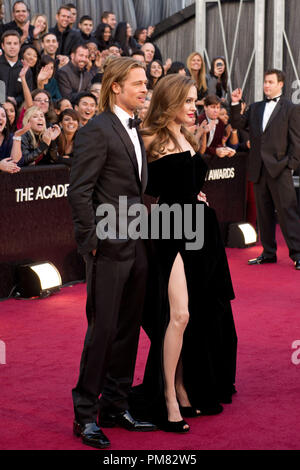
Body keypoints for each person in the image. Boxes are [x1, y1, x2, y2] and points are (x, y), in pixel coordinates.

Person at [128, 73, 237, 432]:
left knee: (199, 312)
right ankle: (168, 397)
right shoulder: (149, 136)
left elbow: (189, 180)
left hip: (198, 231)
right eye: (187, 101)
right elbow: (132, 183)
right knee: (178, 315)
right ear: (170, 101)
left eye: (195, 101)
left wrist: (195, 195)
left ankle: (183, 385)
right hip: (169, 229)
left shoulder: (186, 134)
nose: (194, 107)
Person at [68, 57, 156, 449]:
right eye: (137, 83)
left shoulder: (135, 128)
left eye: (145, 83)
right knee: (101, 330)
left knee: (127, 329)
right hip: (107, 248)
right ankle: (85, 413)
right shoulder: (96, 130)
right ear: (116, 86)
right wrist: (91, 243)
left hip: (136, 245)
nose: (144, 88)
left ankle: (115, 406)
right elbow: (80, 191)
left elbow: (132, 189)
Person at [231, 69, 300, 270]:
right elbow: (237, 124)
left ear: (281, 84)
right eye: (265, 82)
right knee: (264, 214)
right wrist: (235, 104)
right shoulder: (255, 107)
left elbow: (296, 140)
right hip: (258, 170)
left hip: (280, 169)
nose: (266, 85)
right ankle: (268, 253)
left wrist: (290, 165)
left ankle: (297, 254)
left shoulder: (290, 108)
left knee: (288, 212)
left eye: (270, 82)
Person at [0, 30, 33, 106]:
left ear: (19, 46)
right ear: (3, 46)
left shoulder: (25, 69)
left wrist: (15, 100)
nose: (12, 47)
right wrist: (7, 99)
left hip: (18, 109)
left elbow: (27, 94)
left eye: (15, 43)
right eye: (9, 43)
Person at [198, 94, 235, 159]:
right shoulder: (199, 121)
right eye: (213, 107)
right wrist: (215, 151)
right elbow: (198, 148)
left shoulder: (220, 123)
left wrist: (226, 150)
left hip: (211, 161)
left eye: (218, 107)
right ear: (205, 107)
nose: (216, 110)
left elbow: (218, 144)